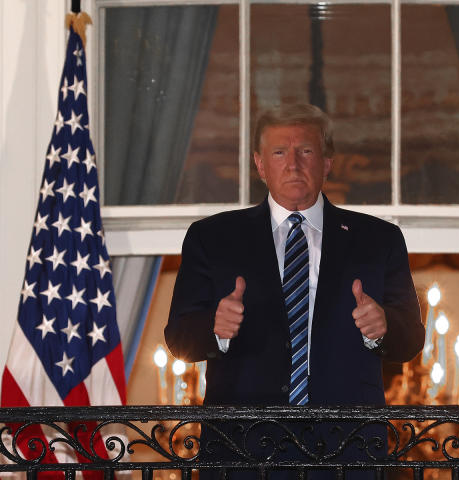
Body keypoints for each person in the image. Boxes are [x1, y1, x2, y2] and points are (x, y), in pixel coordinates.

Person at [164, 104, 424, 477]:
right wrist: (215, 329)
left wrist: (383, 328)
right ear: (259, 164)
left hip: (348, 451)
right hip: (243, 452)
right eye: (279, 152)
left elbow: (411, 338)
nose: (293, 164)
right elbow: (178, 339)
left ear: (327, 162)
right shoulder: (212, 238)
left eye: (305, 151)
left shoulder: (378, 239)